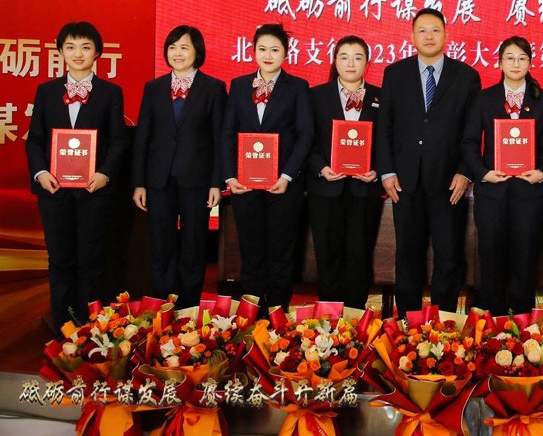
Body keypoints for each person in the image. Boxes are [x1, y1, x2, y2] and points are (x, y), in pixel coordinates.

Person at [376, 8, 481, 314]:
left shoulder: (466, 76)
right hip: (404, 181)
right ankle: (407, 322)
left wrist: (465, 171)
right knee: (407, 253)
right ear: (412, 36)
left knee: (448, 255)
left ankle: (444, 321)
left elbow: (472, 130)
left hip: (450, 183)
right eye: (422, 30)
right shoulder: (395, 74)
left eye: (435, 29)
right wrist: (387, 171)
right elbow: (384, 127)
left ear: (446, 34)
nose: (429, 36)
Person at [26, 21, 128, 327]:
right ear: (60, 52)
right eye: (70, 47)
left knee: (91, 260)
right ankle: (63, 325)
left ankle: (90, 326)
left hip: (94, 191)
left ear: (97, 53)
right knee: (60, 259)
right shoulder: (46, 91)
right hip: (53, 190)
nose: (77, 53)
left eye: (85, 47)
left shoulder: (110, 92)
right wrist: (41, 173)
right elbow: (35, 139)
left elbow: (119, 139)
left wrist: (105, 174)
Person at [461, 36, 543, 315]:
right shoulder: (484, 98)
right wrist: (483, 173)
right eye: (510, 58)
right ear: (500, 62)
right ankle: (492, 325)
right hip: (492, 193)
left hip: (530, 193)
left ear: (530, 63)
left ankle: (524, 326)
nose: (516, 64)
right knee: (491, 261)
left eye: (522, 58)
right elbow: (469, 142)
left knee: (525, 261)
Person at [132, 26, 227, 308]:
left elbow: (220, 139)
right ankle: (162, 307)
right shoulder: (154, 88)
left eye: (184, 47)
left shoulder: (214, 88)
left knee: (193, 246)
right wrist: (139, 183)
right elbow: (143, 138)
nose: (177, 53)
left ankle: (188, 307)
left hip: (197, 181)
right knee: (161, 244)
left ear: (198, 51)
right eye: (172, 47)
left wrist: (216, 183)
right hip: (158, 180)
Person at [221, 24, 313, 313]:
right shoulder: (238, 85)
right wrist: (230, 176)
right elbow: (227, 133)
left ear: (286, 53)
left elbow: (305, 134)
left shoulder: (297, 87)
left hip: (283, 186)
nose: (268, 55)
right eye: (262, 49)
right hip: (245, 185)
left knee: (281, 251)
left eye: (275, 49)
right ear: (253, 52)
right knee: (251, 250)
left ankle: (277, 314)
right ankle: (250, 314)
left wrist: (287, 175)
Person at [306, 35, 385, 308]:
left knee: (359, 255)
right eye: (344, 57)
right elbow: (307, 138)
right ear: (335, 61)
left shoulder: (381, 97)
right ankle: (328, 319)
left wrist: (377, 169)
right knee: (327, 255)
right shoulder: (316, 95)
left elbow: (390, 140)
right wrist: (321, 167)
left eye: (358, 57)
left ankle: (355, 317)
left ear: (368, 63)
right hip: (325, 189)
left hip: (365, 189)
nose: (351, 63)